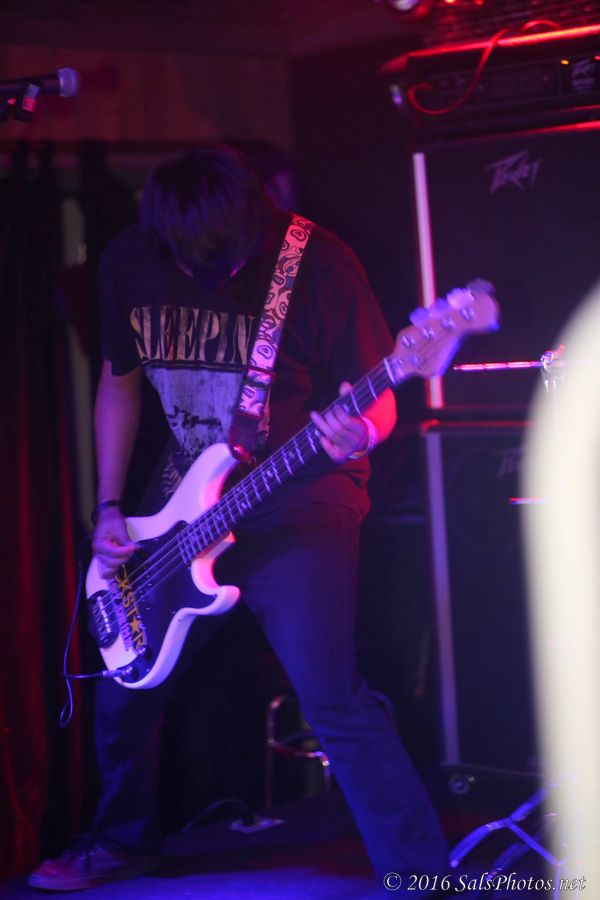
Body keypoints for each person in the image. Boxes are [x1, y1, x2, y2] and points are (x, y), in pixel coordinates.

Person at [29, 145, 448, 895]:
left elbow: (379, 395)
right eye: (200, 267)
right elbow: (119, 382)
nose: (219, 278)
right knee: (124, 680)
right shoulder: (128, 261)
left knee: (329, 691)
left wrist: (361, 432)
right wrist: (111, 505)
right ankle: (122, 842)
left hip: (302, 492)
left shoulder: (319, 263)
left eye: (233, 262)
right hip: (185, 498)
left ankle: (421, 876)